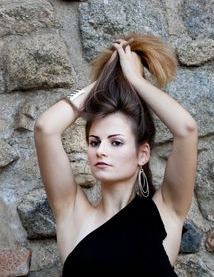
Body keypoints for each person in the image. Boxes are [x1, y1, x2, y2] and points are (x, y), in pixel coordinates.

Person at [34, 33, 198, 275]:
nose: (101, 150)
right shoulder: (72, 212)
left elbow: (187, 130)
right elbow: (45, 128)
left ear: (143, 154)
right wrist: (103, 81)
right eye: (94, 142)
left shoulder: (167, 210)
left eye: (116, 143)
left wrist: (136, 80)